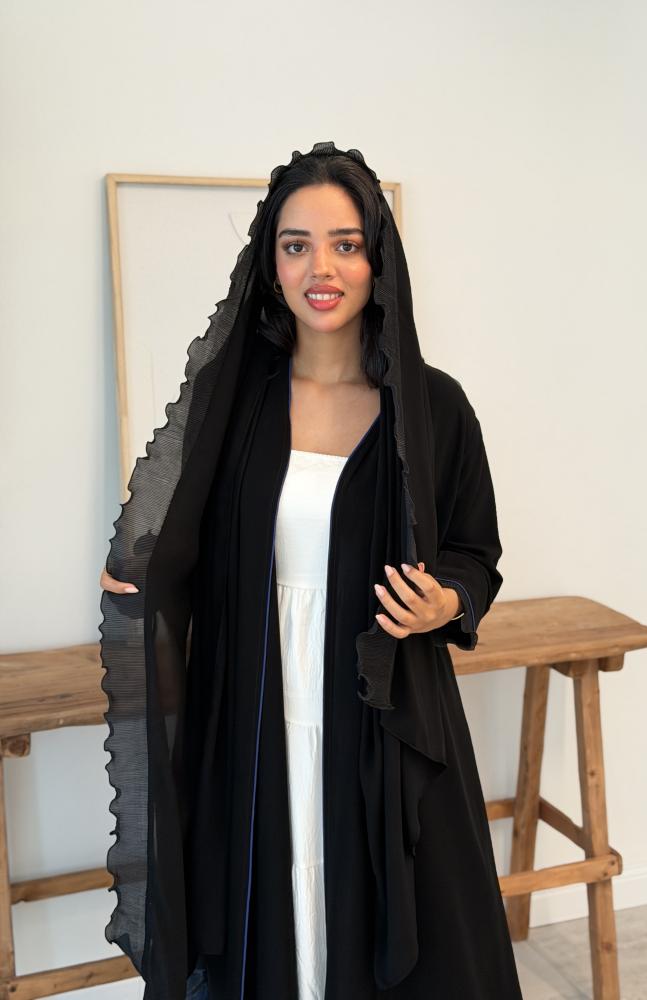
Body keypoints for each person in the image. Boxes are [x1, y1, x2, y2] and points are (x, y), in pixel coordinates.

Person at [99, 141, 523, 1000]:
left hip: (383, 708)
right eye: (296, 245)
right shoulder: (234, 402)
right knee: (268, 901)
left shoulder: (434, 408)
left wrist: (444, 600)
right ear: (271, 262)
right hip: (256, 698)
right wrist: (145, 576)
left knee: (401, 921)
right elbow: (192, 539)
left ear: (377, 259)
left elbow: (475, 555)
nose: (320, 269)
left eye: (345, 244)